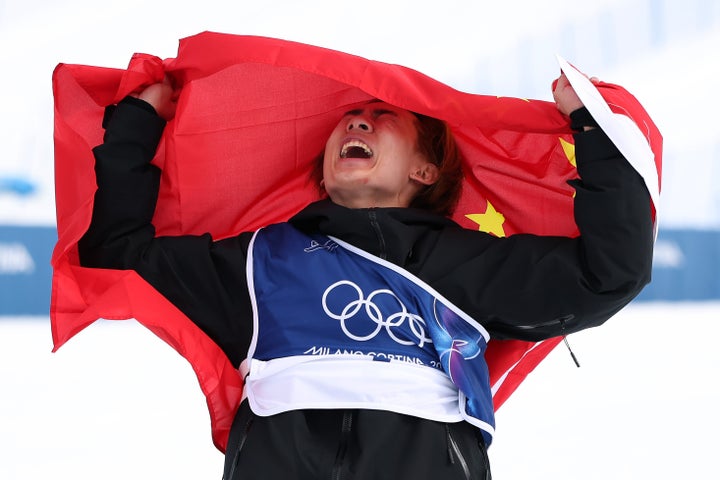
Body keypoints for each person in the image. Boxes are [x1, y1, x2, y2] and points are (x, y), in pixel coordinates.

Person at [78, 71, 654, 479]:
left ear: (425, 169)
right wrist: (137, 127)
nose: (357, 120)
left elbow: (609, 273)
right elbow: (116, 256)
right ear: (324, 172)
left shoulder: (468, 263)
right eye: (351, 119)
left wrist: (592, 128)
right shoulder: (258, 260)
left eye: (383, 116)